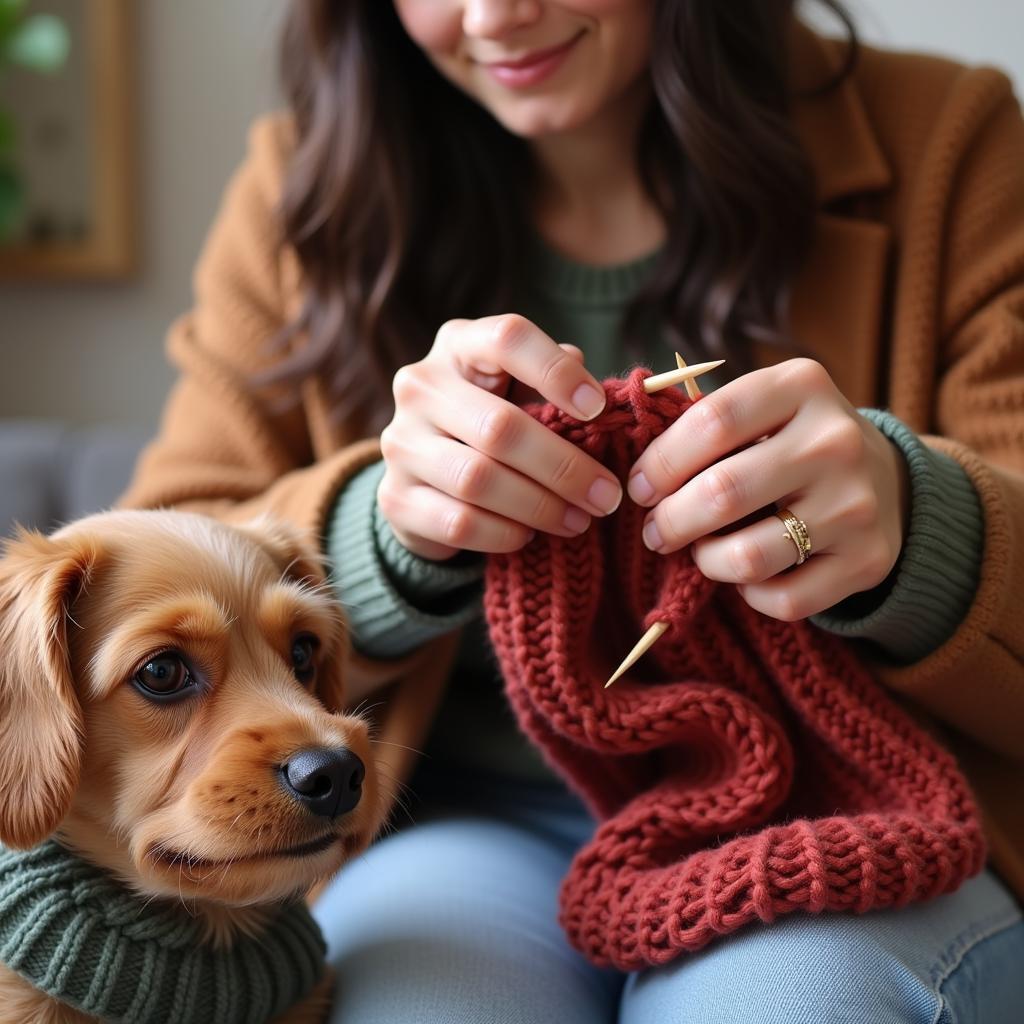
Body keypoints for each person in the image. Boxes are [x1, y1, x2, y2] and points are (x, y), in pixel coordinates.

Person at [120, 1, 1024, 1020]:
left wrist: (919, 523)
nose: (496, 14)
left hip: (842, 809)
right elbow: (149, 556)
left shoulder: (949, 142)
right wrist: (384, 539)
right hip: (445, 814)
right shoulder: (306, 185)